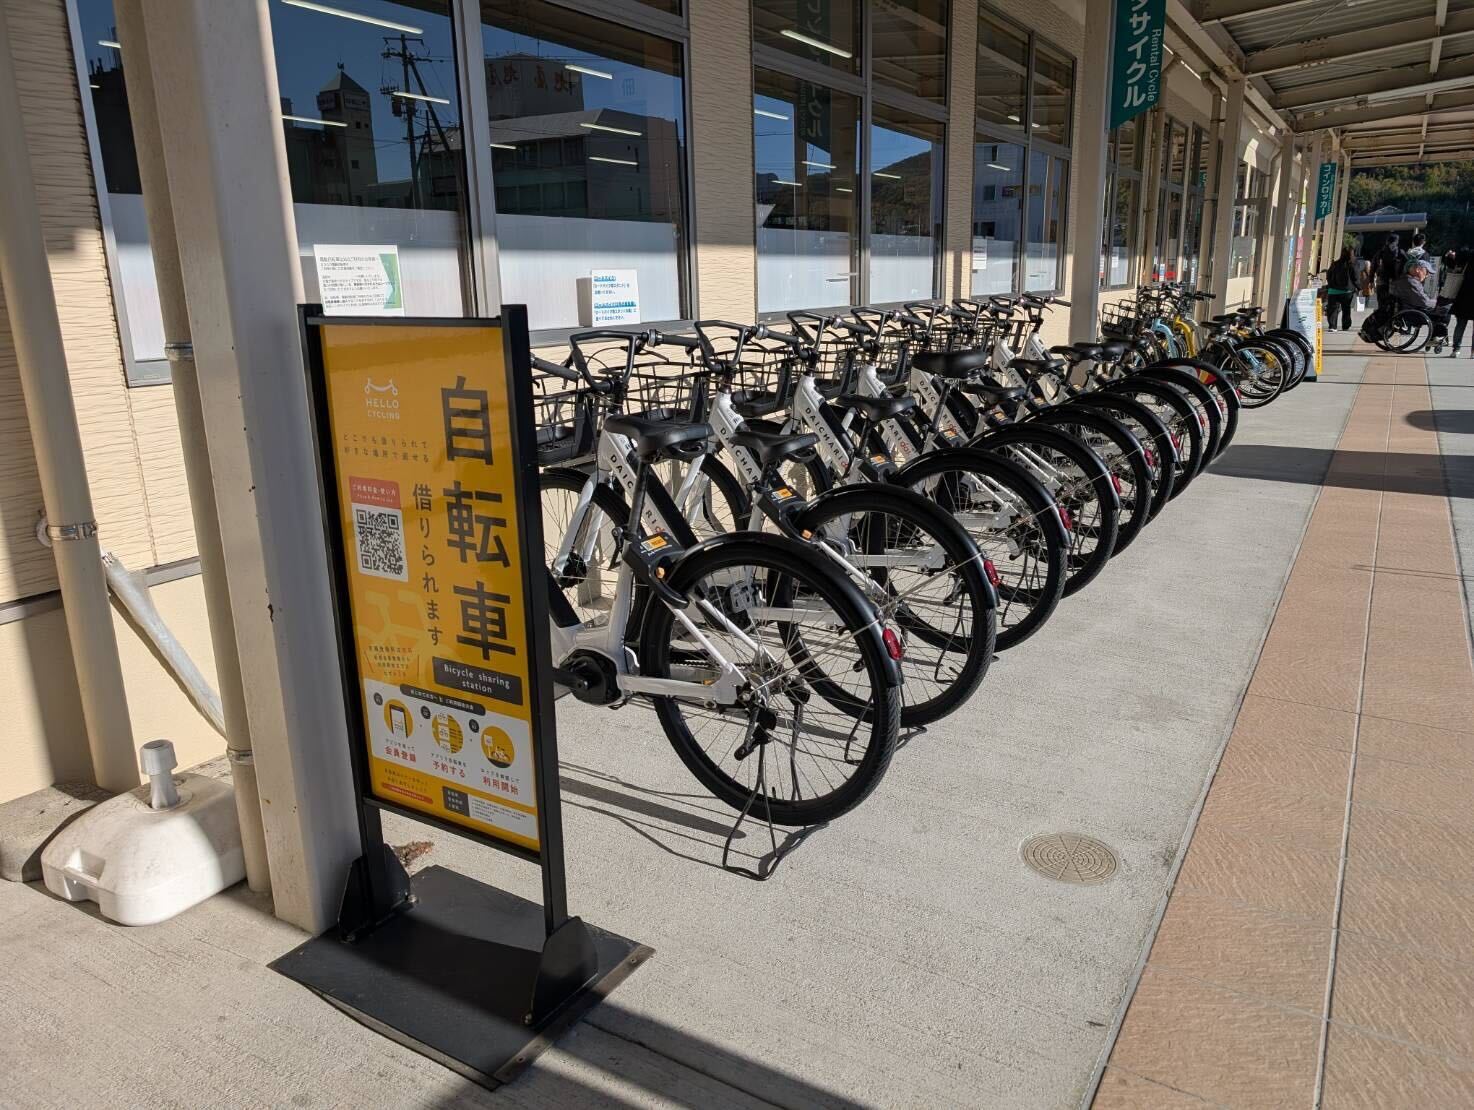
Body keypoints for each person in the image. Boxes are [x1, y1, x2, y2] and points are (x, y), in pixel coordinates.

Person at [1323, 247, 1356, 331]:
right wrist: (1358, 287)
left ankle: (1332, 326)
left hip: (1333, 290)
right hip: (1347, 291)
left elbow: (1329, 275)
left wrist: (1330, 284)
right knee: (1346, 308)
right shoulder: (1351, 265)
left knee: (1333, 308)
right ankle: (1345, 325)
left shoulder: (1335, 264)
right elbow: (1355, 277)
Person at [1452, 249, 1474, 358]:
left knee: (1460, 325)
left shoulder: (1468, 257)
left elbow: (1454, 265)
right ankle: (1473, 352)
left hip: (1463, 297)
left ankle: (1456, 349)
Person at [1373, 234, 1405, 308]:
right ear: (1397, 242)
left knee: (1382, 303)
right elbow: (1407, 264)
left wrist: (1371, 279)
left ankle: (1382, 313)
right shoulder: (1400, 252)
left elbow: (1373, 266)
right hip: (1395, 281)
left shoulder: (1381, 252)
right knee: (1394, 303)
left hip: (1382, 281)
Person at [1406, 232, 1435, 297]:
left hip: (1407, 279)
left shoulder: (1408, 253)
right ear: (1423, 242)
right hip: (1419, 279)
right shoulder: (1425, 254)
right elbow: (1426, 269)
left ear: (1413, 242)